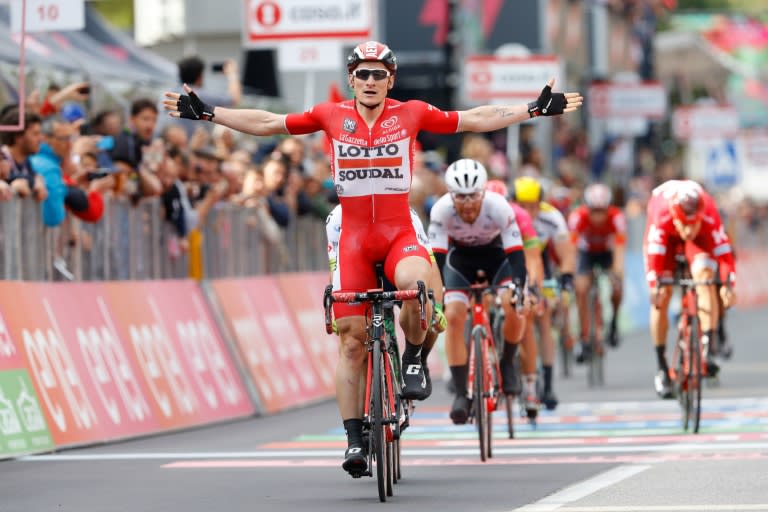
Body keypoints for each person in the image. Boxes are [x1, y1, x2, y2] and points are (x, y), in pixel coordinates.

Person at [163, 40, 583, 476]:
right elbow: (268, 122)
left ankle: (416, 357)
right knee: (350, 340)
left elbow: (474, 118)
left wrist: (533, 109)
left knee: (418, 289)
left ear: (390, 80)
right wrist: (210, 112)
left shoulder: (411, 113)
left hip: (398, 232)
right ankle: (354, 440)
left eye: (378, 74)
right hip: (354, 238)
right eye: (361, 73)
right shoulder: (330, 116)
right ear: (351, 79)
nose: (369, 81)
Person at [428, 160, 527, 424]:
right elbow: (436, 259)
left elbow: (517, 254)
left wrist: (518, 285)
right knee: (454, 314)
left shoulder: (499, 206)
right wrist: (435, 293)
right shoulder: (440, 210)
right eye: (461, 197)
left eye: (473, 196)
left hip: (497, 257)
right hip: (459, 260)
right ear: (451, 195)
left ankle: (507, 362)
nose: (468, 203)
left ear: (483, 192)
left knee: (513, 303)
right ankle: (462, 393)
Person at [325, 203, 447, 399]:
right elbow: (336, 268)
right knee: (352, 340)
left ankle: (418, 360)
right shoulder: (337, 218)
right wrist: (337, 309)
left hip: (398, 271)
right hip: (363, 274)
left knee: (428, 309)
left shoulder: (406, 213)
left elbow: (430, 265)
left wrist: (438, 306)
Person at [643, 179, 736, 399]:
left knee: (705, 278)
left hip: (701, 239)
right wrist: (654, 285)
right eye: (683, 224)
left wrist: (728, 286)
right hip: (665, 237)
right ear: (675, 216)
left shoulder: (709, 214)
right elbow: (654, 260)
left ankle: (707, 347)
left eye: (691, 223)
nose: (687, 230)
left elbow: (724, 254)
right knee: (661, 296)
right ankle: (661, 366)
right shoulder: (662, 215)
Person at [512, 176, 576, 411]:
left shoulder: (552, 217)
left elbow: (566, 252)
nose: (528, 211)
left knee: (544, 315)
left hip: (544, 266)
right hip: (515, 263)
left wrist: (567, 276)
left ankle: (547, 385)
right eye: (523, 205)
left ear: (541, 203)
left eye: (533, 205)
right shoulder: (509, 215)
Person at [567, 183, 626, 359]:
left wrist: (617, 272)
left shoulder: (617, 217)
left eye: (602, 211)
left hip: (608, 252)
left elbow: (619, 248)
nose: (598, 216)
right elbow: (571, 249)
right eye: (594, 211)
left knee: (617, 287)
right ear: (587, 208)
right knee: (581, 288)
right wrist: (573, 272)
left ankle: (614, 322)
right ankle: (584, 336)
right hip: (587, 253)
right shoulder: (577, 217)